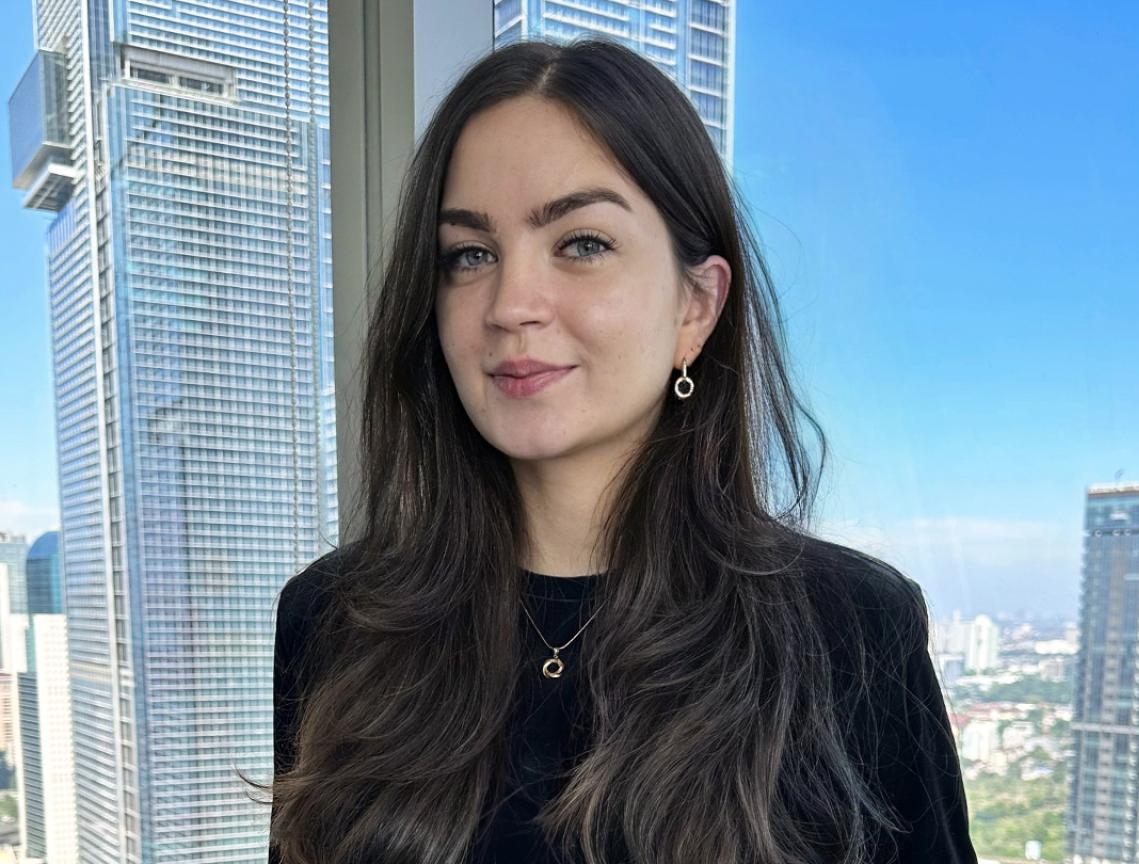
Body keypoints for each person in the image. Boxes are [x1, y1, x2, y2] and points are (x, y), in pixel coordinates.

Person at [259, 37, 978, 864]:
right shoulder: (338, 619)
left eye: (582, 244)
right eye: (470, 255)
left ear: (696, 307)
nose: (510, 304)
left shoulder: (849, 630)